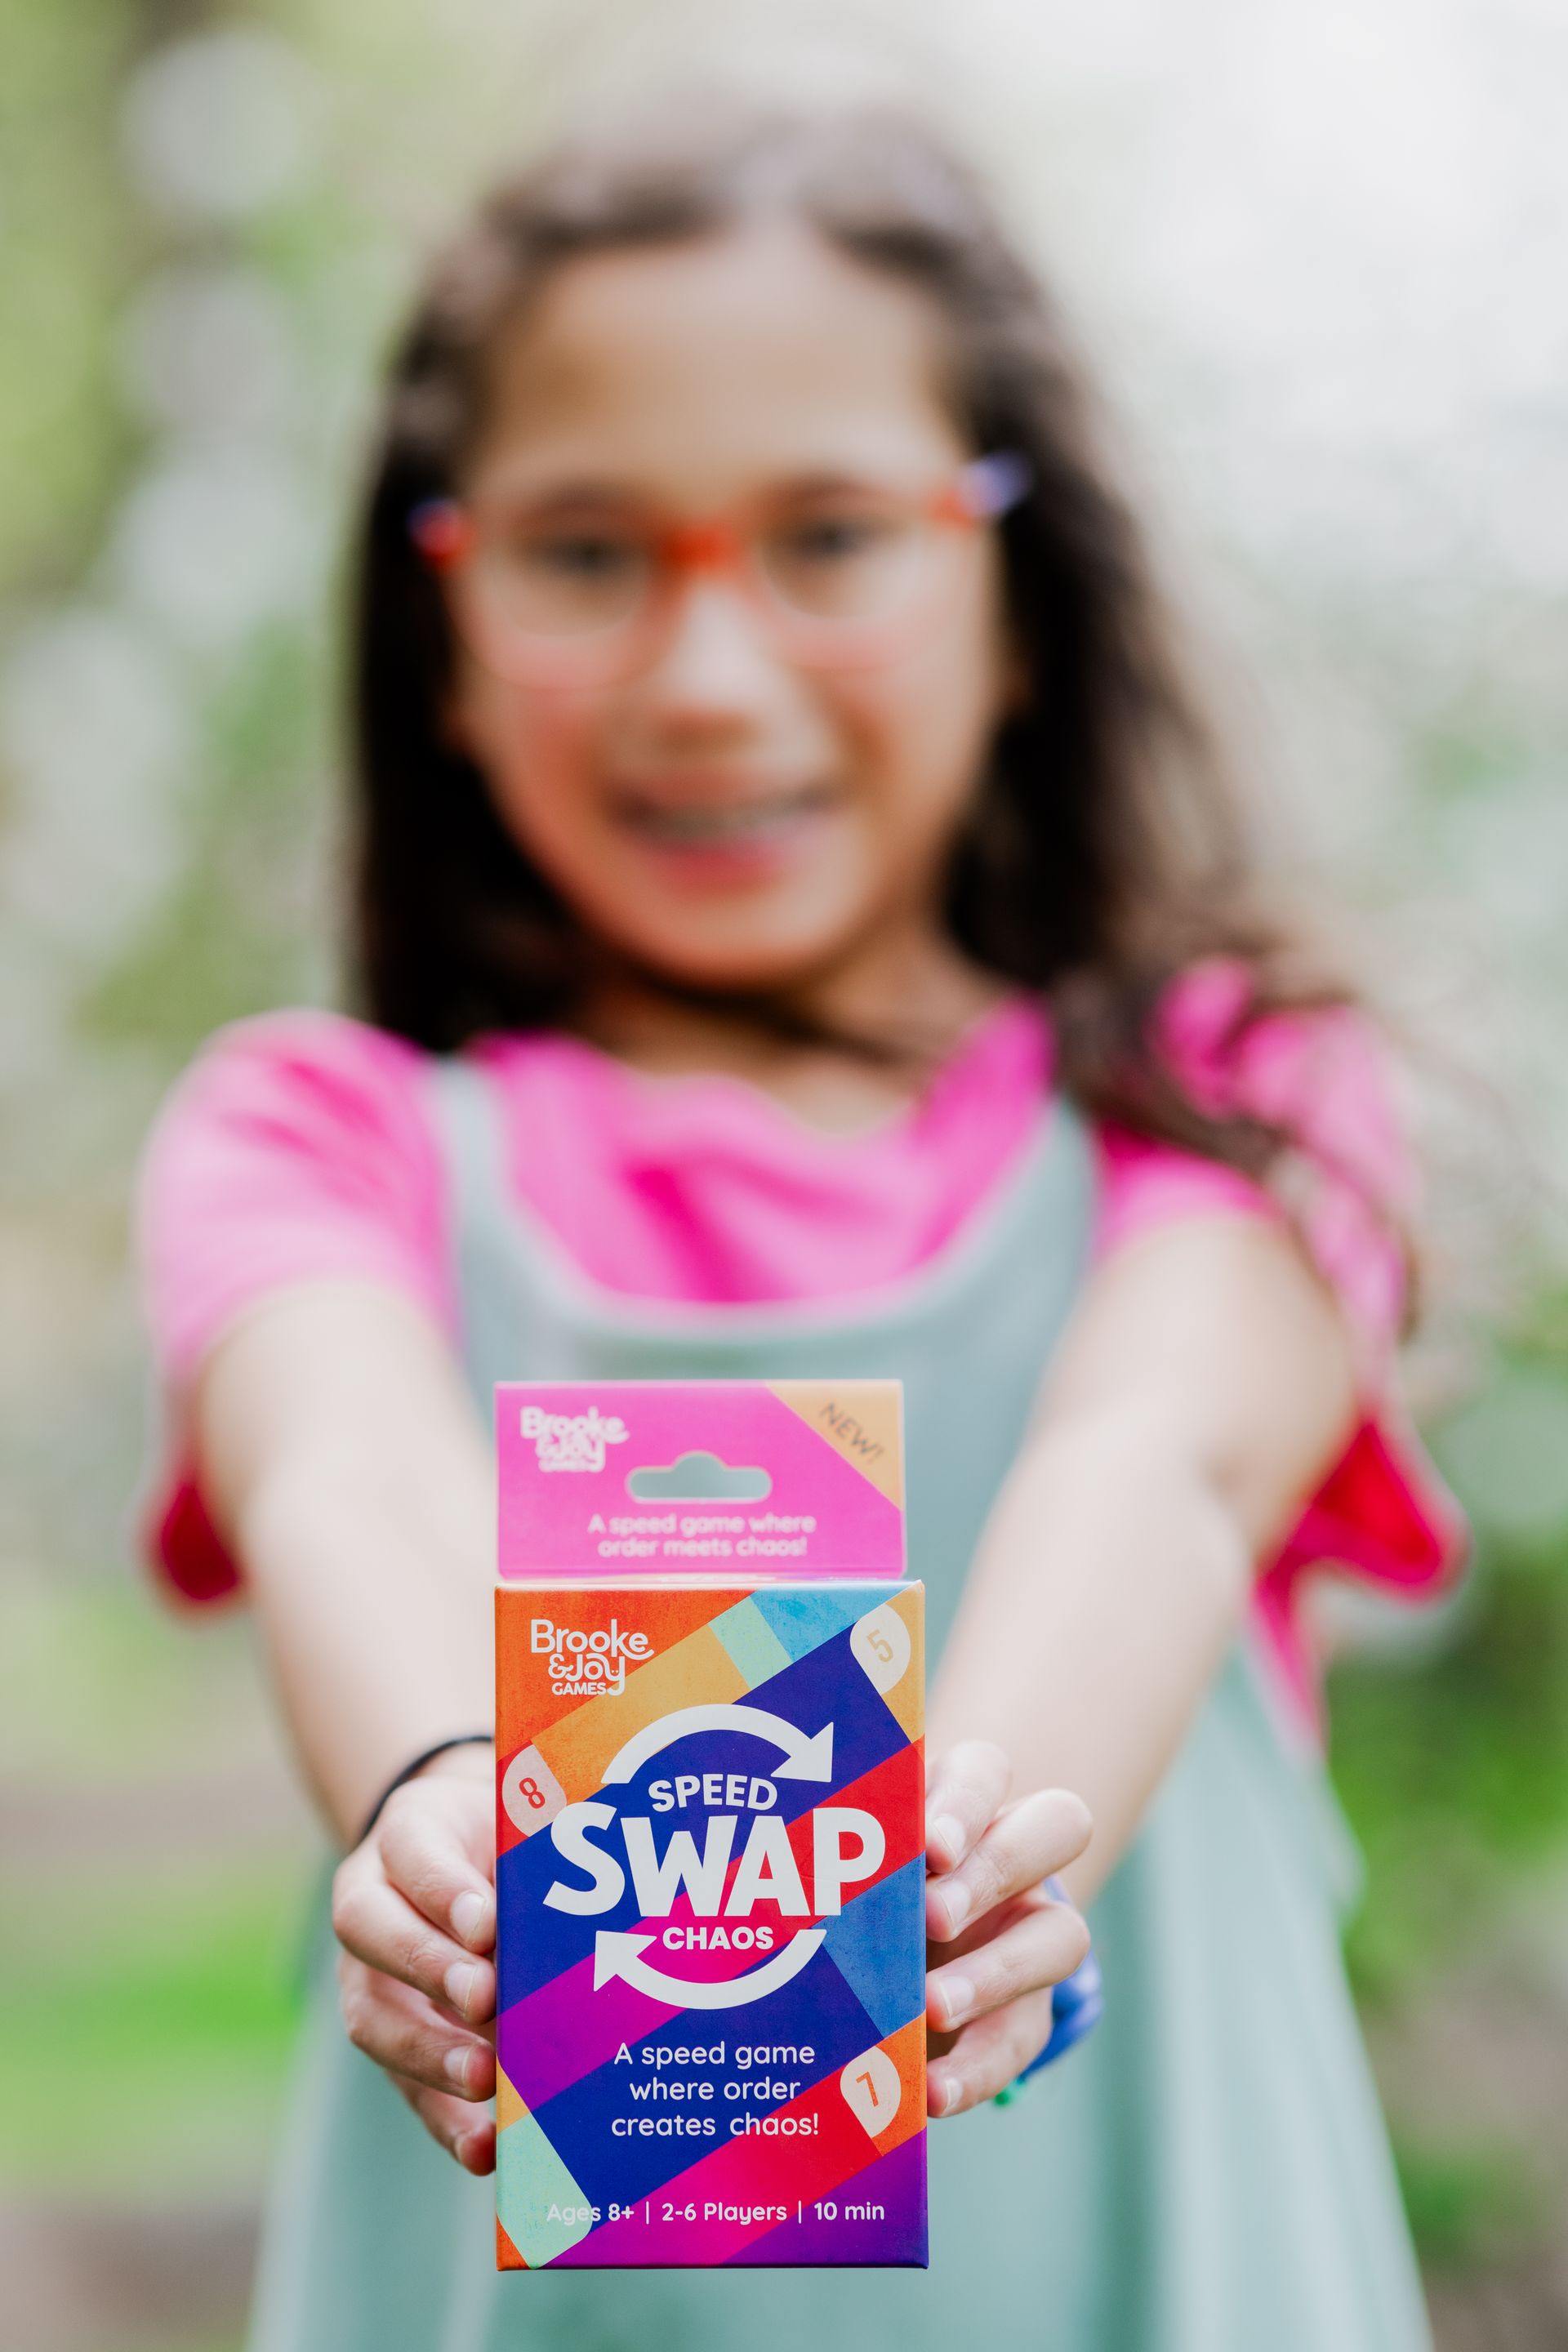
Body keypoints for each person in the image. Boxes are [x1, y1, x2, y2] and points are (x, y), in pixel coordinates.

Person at [135, 98, 1467, 2352]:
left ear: (1017, 597)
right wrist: (449, 1802)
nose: (707, 679)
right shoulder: (320, 1144)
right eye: (584, 554)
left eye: (831, 539)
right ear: (442, 618)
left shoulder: (1235, 1102)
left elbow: (1151, 1468)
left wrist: (947, 1893)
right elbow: (344, 1474)